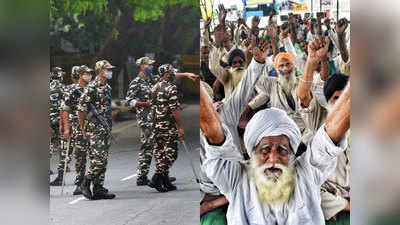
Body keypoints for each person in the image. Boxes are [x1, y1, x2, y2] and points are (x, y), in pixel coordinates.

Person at [200, 74, 350, 224]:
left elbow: (330, 135)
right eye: (265, 149)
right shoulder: (236, 178)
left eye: (282, 150)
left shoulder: (306, 173)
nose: (273, 158)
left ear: (292, 153)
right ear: (252, 153)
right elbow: (214, 135)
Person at [200, 38, 269, 225]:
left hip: (236, 183)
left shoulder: (226, 111)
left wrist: (258, 61)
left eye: (205, 103)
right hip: (209, 192)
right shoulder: (226, 77)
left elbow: (247, 87)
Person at [125, 57, 197, 186]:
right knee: (148, 147)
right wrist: (145, 103)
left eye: (152, 65)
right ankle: (142, 176)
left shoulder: (153, 79)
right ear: (142, 66)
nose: (151, 67)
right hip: (145, 118)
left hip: (158, 118)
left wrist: (185, 74)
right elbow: (129, 100)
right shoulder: (136, 82)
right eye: (149, 65)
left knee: (162, 147)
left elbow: (167, 75)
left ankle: (163, 175)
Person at [78, 60, 116, 200]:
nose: (110, 71)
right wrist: (82, 129)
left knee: (103, 160)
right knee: (99, 158)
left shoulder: (107, 87)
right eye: (108, 69)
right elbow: (81, 109)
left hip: (105, 127)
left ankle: (98, 188)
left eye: (110, 69)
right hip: (94, 129)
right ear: (100, 71)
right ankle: (85, 182)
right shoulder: (92, 87)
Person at [147, 64, 184, 192]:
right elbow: (174, 109)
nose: (174, 74)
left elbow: (151, 108)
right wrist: (180, 127)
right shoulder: (171, 88)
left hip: (156, 125)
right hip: (167, 126)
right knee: (172, 153)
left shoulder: (154, 88)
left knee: (160, 153)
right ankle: (157, 177)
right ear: (167, 74)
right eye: (172, 72)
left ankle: (165, 180)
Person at [57, 65, 93, 195]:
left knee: (96, 156)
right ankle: (79, 183)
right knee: (80, 156)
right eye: (86, 73)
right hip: (77, 126)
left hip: (94, 126)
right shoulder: (71, 89)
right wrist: (66, 128)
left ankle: (94, 183)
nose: (89, 75)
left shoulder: (93, 88)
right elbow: (64, 109)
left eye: (90, 73)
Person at [49, 67, 65, 176]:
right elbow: (66, 106)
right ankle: (63, 166)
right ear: (60, 75)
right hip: (60, 120)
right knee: (62, 144)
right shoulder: (63, 88)